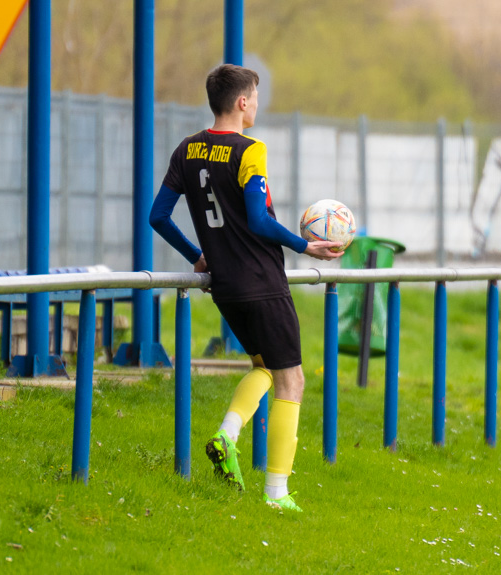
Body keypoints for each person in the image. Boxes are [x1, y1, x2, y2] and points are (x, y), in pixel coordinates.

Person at [149, 64, 342, 512]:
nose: (256, 103)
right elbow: (258, 220)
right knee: (291, 380)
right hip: (262, 281)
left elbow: (158, 216)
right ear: (241, 102)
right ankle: (276, 493)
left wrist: (195, 254)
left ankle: (228, 433)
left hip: (225, 286)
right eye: (254, 95)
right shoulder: (250, 151)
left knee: (263, 365)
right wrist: (305, 246)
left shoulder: (187, 149)